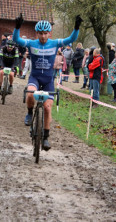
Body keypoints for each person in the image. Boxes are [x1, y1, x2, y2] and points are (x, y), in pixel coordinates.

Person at [13, 13, 82, 151]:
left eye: (45, 33)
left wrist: (76, 27)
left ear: (49, 33)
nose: (43, 36)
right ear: (37, 33)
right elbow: (17, 39)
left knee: (47, 108)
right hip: (35, 77)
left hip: (48, 80)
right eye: (40, 34)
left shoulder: (55, 43)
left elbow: (71, 38)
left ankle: (45, 137)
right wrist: (17, 27)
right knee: (30, 94)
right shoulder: (32, 43)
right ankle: (29, 112)